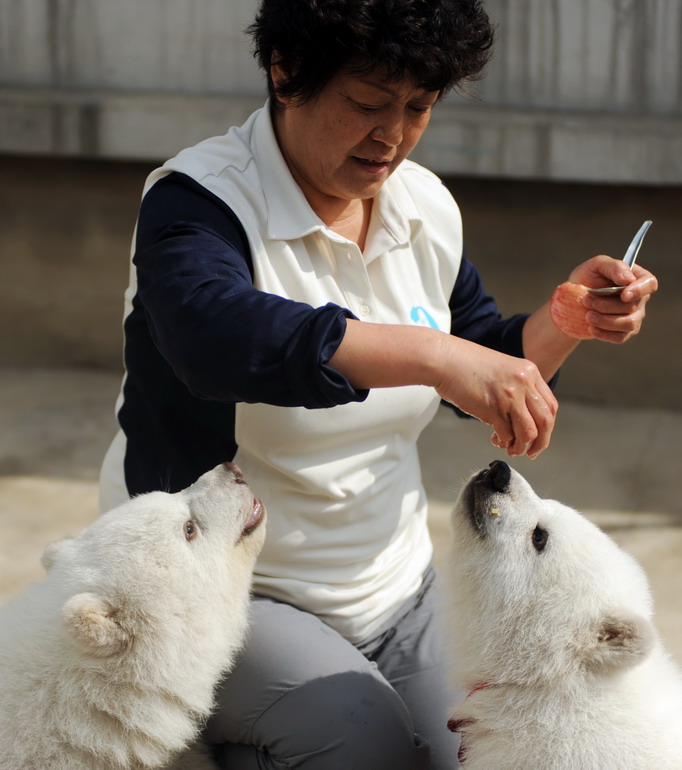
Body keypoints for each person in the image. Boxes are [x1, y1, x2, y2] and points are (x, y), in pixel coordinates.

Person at [99, 0, 658, 767]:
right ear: (286, 72)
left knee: (485, 742)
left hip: (392, 583)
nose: (391, 135)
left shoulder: (421, 205)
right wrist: (434, 355)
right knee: (365, 743)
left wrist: (566, 321)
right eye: (366, 103)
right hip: (227, 586)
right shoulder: (200, 203)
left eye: (418, 108)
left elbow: (479, 354)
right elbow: (213, 338)